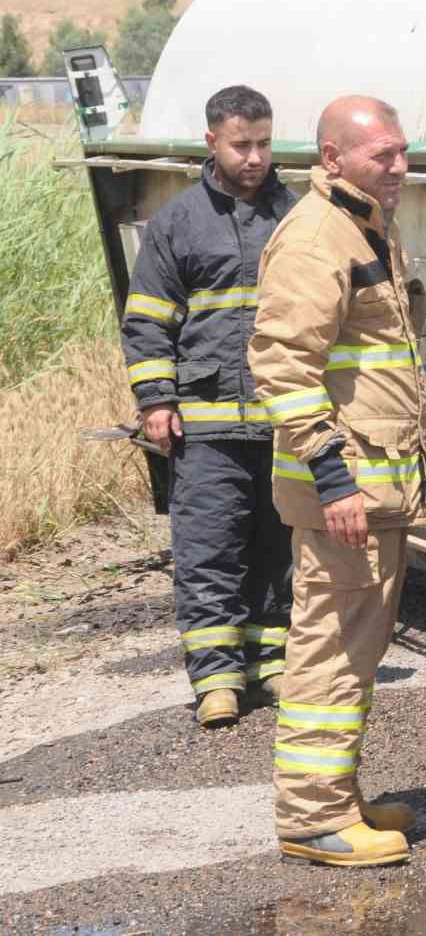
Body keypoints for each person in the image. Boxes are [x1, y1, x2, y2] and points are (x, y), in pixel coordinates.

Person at [249, 95, 426, 867]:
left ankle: (336, 798)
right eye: (380, 156)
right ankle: (311, 820)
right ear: (332, 157)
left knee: (355, 647)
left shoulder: (362, 224)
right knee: (328, 648)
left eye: (401, 152)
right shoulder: (315, 238)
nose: (398, 168)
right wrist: (334, 479)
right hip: (346, 497)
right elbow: (281, 366)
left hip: (372, 491)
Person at [120, 84, 295, 728]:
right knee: (208, 548)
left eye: (263, 143)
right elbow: (146, 321)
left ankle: (271, 662)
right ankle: (216, 679)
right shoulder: (179, 221)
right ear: (212, 143)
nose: (253, 157)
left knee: (277, 545)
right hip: (207, 420)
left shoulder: (295, 215)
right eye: (240, 144)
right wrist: (155, 399)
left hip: (281, 416)